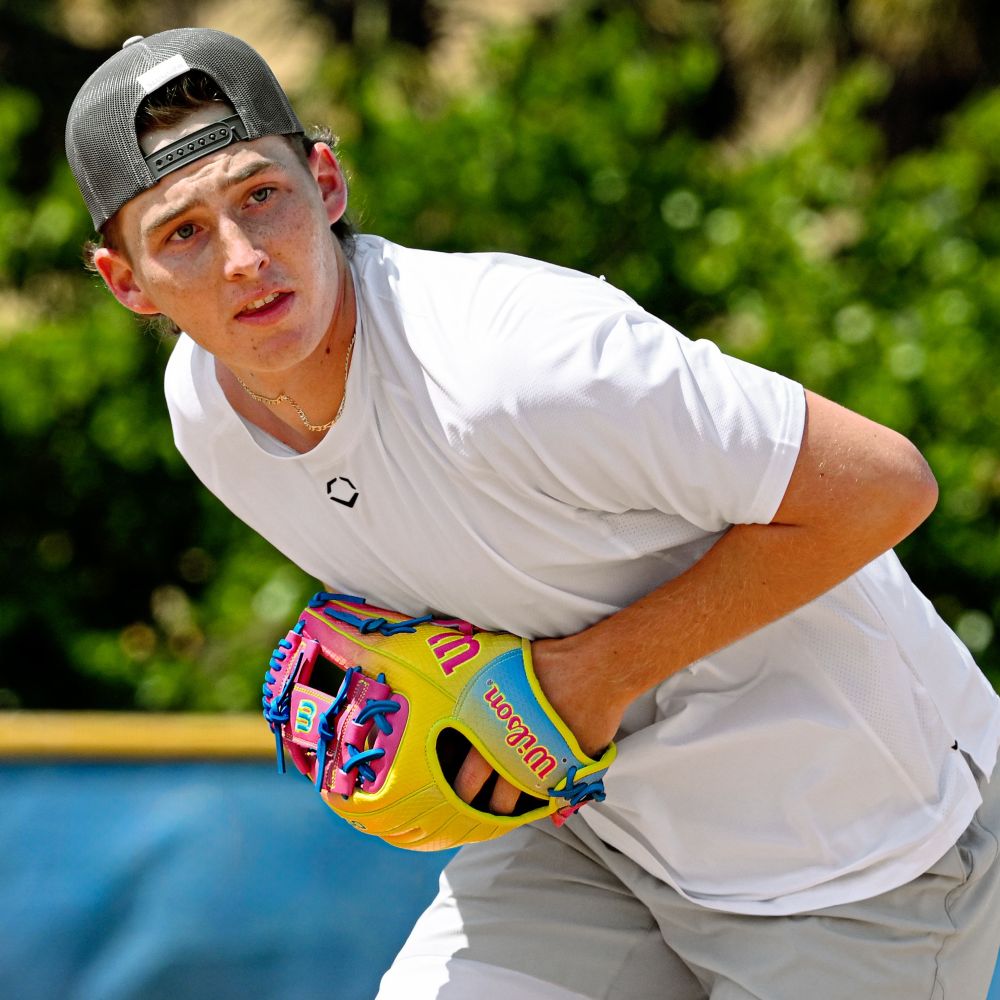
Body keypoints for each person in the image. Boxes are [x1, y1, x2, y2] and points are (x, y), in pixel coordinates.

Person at [66, 28, 1000, 1000]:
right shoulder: (209, 415)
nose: (245, 257)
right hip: (589, 838)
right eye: (182, 232)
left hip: (855, 847)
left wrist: (584, 681)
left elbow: (885, 486)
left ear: (327, 184)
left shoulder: (516, 363)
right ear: (126, 282)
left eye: (262, 195)